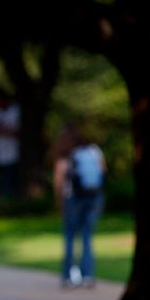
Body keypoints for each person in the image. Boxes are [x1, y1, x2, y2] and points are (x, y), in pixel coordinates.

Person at [51, 124, 106, 289]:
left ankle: (68, 277)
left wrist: (59, 202)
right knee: (87, 237)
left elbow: (59, 181)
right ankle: (87, 276)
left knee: (70, 237)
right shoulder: (93, 150)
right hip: (93, 197)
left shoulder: (66, 155)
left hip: (73, 198)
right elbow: (102, 171)